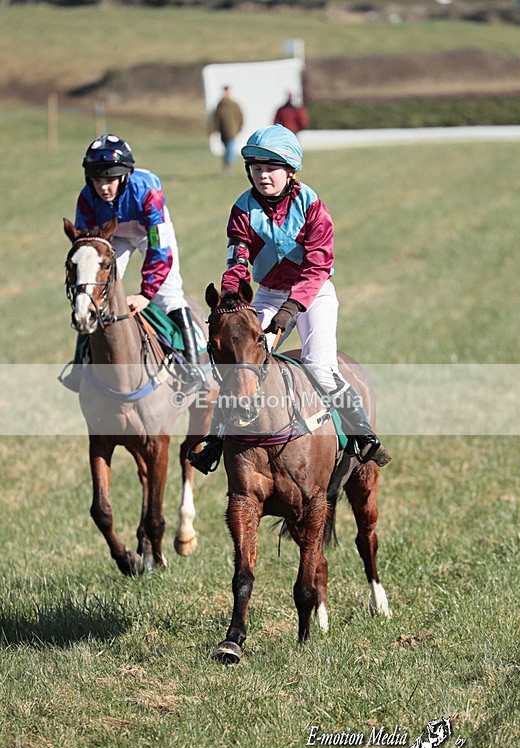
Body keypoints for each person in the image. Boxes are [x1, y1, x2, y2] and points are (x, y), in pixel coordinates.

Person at [189, 124, 390, 474]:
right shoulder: (241, 209)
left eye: (271, 168)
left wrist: (289, 310)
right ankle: (217, 441)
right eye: (256, 168)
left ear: (290, 170)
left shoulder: (312, 207)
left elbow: (316, 268)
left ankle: (362, 434)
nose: (262, 176)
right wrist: (232, 298)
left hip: (314, 295)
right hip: (267, 293)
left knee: (319, 366)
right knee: (240, 362)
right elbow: (237, 261)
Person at [61, 133, 205, 393]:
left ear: (125, 176)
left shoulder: (147, 189)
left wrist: (147, 295)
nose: (103, 187)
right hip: (113, 236)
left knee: (169, 295)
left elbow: (159, 248)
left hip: (150, 231)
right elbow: (87, 245)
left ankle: (193, 368)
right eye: (97, 181)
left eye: (110, 180)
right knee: (92, 296)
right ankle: (80, 364)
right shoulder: (86, 197)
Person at [209, 86, 244, 172]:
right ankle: (227, 165)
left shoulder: (233, 104)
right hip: (223, 132)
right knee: (227, 149)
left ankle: (228, 166)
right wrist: (213, 131)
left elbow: (240, 117)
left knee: (229, 148)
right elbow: (216, 119)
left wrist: (238, 129)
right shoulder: (220, 104)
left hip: (232, 131)